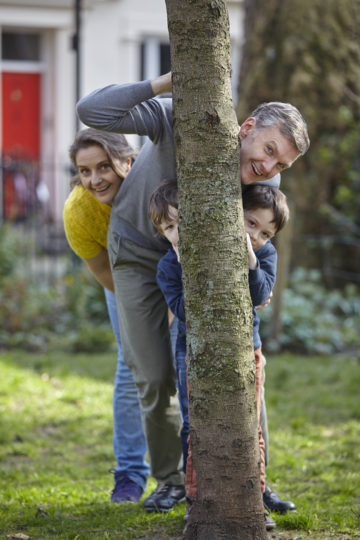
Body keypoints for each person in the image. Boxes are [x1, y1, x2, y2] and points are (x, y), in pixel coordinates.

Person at [76, 71, 310, 513]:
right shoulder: (181, 121)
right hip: (139, 254)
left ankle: (254, 480)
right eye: (269, 150)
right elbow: (91, 111)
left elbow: (262, 236)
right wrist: (166, 82)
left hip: (198, 268)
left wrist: (259, 279)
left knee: (242, 364)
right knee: (152, 373)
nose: (269, 169)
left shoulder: (264, 186)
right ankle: (170, 480)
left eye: (281, 165)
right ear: (247, 128)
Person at [150, 180, 290, 530]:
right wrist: (188, 267)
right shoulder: (169, 266)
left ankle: (255, 497)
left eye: (266, 232)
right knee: (194, 421)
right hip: (191, 350)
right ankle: (196, 499)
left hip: (247, 347)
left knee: (249, 423)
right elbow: (184, 310)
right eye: (251, 223)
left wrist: (251, 258)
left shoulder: (265, 253)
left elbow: (259, 294)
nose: (256, 234)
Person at [63, 128, 150, 503]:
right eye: (85, 171)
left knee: (183, 366)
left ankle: (188, 475)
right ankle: (130, 474)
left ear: (127, 162)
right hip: (124, 279)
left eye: (104, 166)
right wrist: (147, 315)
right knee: (131, 366)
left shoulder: (151, 187)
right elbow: (104, 274)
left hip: (175, 273)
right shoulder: (79, 212)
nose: (95, 179)